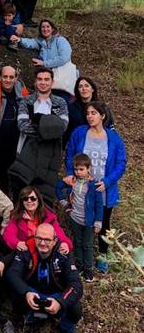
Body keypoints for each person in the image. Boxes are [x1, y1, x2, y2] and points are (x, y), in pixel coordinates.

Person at [64, 102, 127, 274]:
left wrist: (107, 181)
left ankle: (103, 256)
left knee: (104, 223)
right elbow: (70, 155)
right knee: (81, 220)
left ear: (103, 116)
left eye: (94, 113)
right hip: (81, 188)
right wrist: (70, 173)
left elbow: (121, 163)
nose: (90, 116)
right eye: (88, 113)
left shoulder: (113, 138)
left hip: (103, 189)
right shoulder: (79, 133)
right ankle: (82, 256)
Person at [7, 222, 83, 333]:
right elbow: (13, 273)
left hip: (56, 296)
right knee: (14, 291)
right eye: (39, 238)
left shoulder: (63, 253)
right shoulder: (27, 248)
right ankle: (30, 319)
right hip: (33, 293)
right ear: (34, 237)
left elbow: (76, 284)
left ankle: (66, 331)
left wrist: (60, 302)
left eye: (47, 239)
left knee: (76, 308)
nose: (42, 243)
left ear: (54, 241)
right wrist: (26, 292)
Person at [9, 67, 68, 204]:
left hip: (49, 159)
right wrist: (48, 127)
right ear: (35, 82)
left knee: (43, 201)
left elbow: (62, 128)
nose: (43, 82)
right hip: (25, 154)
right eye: (40, 79)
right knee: (22, 199)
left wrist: (36, 120)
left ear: (52, 82)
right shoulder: (26, 101)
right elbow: (22, 125)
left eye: (46, 79)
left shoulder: (60, 103)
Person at [0, 66, 29, 194]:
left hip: (17, 145)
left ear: (16, 78)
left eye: (11, 77)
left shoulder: (24, 94)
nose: (8, 80)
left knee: (17, 179)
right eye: (5, 77)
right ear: (0, 77)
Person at [57, 154, 104, 282]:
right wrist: (66, 205)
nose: (78, 172)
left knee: (87, 244)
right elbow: (58, 189)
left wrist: (98, 222)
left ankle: (88, 269)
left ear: (88, 168)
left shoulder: (94, 185)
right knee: (77, 242)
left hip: (89, 221)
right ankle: (78, 265)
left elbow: (99, 205)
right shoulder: (73, 181)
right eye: (76, 169)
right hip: (75, 218)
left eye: (81, 169)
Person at [2, 185, 73, 254]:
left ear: (38, 200)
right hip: (26, 253)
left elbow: (60, 234)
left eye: (33, 198)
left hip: (45, 252)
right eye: (25, 199)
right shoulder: (16, 217)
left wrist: (65, 243)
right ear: (22, 202)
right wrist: (17, 243)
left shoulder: (48, 217)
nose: (29, 201)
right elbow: (8, 234)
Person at [19, 18, 77, 97]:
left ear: (52, 28)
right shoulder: (41, 42)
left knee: (63, 100)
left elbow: (64, 57)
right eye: (43, 27)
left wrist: (45, 63)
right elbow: (30, 42)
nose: (45, 29)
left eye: (48, 26)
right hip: (51, 78)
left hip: (63, 78)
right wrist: (19, 40)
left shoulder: (60, 40)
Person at [66, 76, 115, 140]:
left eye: (87, 86)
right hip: (77, 143)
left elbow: (110, 128)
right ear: (77, 90)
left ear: (92, 89)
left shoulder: (103, 107)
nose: (84, 89)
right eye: (80, 86)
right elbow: (67, 131)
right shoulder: (71, 108)